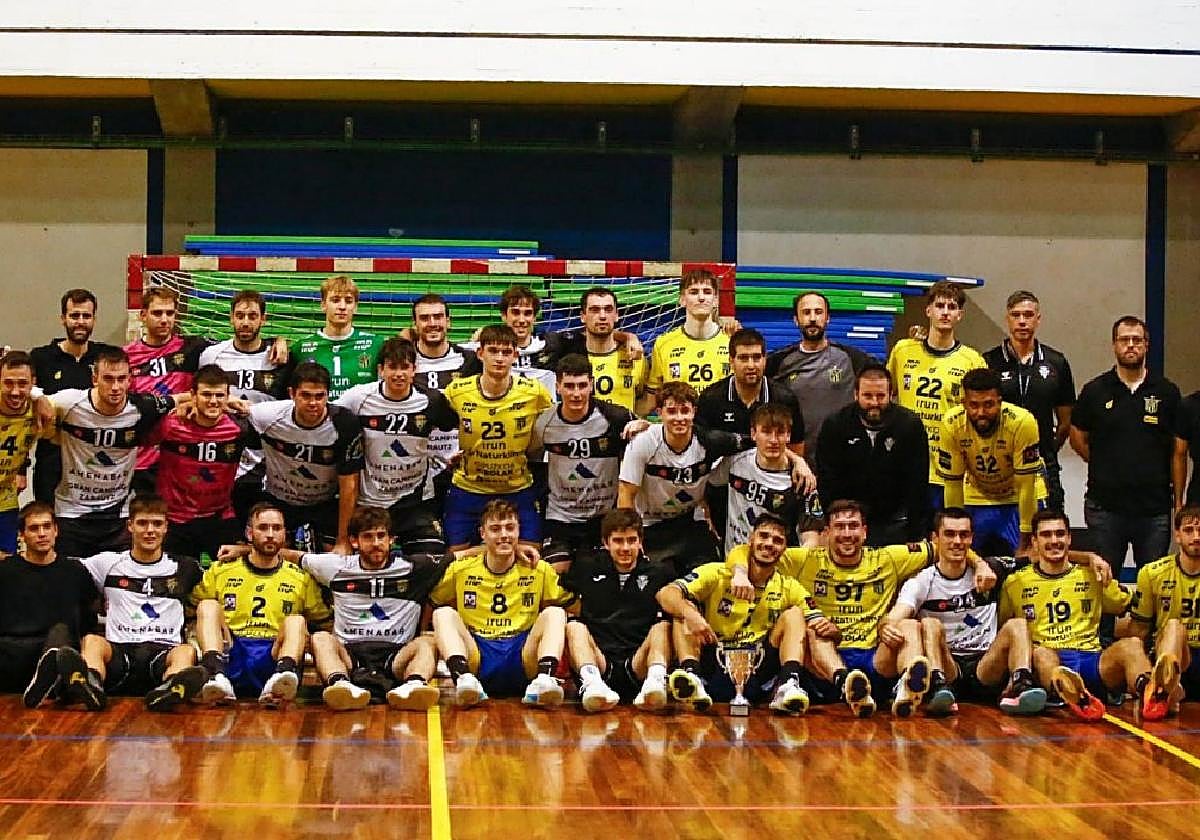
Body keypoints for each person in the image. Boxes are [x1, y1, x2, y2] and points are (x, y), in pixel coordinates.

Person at [727, 499, 998, 717]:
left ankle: (906, 687)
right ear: (827, 533)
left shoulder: (887, 558)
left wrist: (981, 564)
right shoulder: (805, 559)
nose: (847, 534)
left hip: (875, 659)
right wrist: (740, 573)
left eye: (853, 526)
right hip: (826, 662)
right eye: (840, 527)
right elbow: (747, 549)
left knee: (908, 625)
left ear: (865, 532)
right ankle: (845, 682)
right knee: (812, 629)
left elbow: (948, 545)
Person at [223, 505, 446, 711]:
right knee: (320, 638)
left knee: (429, 641)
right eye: (368, 537)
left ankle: (413, 684)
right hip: (349, 656)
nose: (376, 543)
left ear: (391, 540)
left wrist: (483, 545)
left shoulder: (415, 567)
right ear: (354, 541)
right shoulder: (335, 567)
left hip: (396, 656)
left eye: (381, 536)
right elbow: (285, 553)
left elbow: (459, 556)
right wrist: (243, 550)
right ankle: (340, 684)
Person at [884, 508, 1049, 716]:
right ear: (935, 539)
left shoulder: (991, 570)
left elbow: (1041, 555)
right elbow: (895, 616)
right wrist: (886, 627)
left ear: (971, 538)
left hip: (985, 664)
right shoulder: (922, 581)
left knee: (1018, 624)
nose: (957, 541)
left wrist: (1090, 558)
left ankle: (1020, 685)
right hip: (949, 663)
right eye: (950, 534)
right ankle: (937, 686)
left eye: (964, 535)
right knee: (930, 624)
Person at [999, 510, 1156, 720]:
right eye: (1046, 535)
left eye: (1060, 534)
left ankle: (1152, 693)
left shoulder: (1093, 574)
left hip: (1092, 658)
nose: (1054, 540)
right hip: (1051, 658)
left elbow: (1129, 609)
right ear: (1034, 542)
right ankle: (1073, 697)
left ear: (1069, 538)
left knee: (1132, 645)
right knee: (1041, 655)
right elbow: (1007, 631)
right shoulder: (1015, 583)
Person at [657, 514, 820, 715]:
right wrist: (692, 615)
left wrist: (825, 626)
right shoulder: (717, 572)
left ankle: (788, 684)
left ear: (785, 549)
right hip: (714, 659)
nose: (769, 544)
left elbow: (815, 618)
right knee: (683, 607)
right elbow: (665, 594)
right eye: (764, 536)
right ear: (751, 539)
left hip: (759, 667)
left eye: (777, 540)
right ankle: (693, 677)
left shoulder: (789, 586)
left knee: (795, 614)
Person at [64, 495, 206, 712]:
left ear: (166, 527)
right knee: (92, 641)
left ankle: (171, 689)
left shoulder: (185, 567)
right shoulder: (106, 563)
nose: (150, 530)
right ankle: (90, 685)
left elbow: (220, 582)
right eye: (142, 523)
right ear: (130, 525)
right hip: (119, 655)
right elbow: (59, 566)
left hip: (162, 654)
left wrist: (242, 549)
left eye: (157, 524)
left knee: (185, 651)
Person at [429, 499, 575, 707]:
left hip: (523, 654)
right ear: (482, 533)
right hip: (478, 652)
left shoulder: (538, 568)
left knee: (555, 613)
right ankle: (463, 678)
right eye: (495, 529)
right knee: (442, 613)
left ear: (518, 531)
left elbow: (571, 605)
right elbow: (432, 602)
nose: (504, 535)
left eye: (510, 528)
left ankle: (544, 679)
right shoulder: (461, 570)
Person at [1071, 316, 1183, 578]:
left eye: (1137, 340)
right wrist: (1100, 461)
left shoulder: (1167, 392)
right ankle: (1107, 623)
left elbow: (1178, 451)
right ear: (1114, 345)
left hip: (1153, 510)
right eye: (1124, 340)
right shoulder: (1095, 390)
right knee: (1104, 583)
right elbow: (1077, 434)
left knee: (1152, 584)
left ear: (1147, 346)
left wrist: (1178, 503)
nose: (1130, 345)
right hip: (1105, 508)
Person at [192, 502, 331, 706]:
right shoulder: (221, 570)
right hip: (232, 650)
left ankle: (283, 675)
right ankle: (216, 673)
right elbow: (189, 609)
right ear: (249, 533)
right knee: (207, 606)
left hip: (273, 652)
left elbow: (324, 621)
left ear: (285, 534)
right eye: (263, 527)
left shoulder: (300, 578)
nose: (270, 534)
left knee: (296, 620)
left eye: (277, 528)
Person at [49, 347, 182, 557]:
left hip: (118, 515)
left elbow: (182, 398)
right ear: (94, 379)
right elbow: (32, 397)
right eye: (108, 379)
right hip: (72, 512)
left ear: (130, 380)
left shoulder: (142, 406)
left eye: (121, 379)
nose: (115, 387)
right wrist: (39, 399)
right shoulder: (69, 403)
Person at [335, 337, 458, 556]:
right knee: (364, 560)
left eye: (405, 367)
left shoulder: (431, 400)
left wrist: (458, 455)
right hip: (371, 503)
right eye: (392, 367)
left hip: (416, 501)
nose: (399, 374)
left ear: (414, 370)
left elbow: (456, 425)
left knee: (433, 558)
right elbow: (329, 417)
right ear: (381, 370)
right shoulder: (358, 398)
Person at [529, 354, 648, 571]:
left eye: (582, 385)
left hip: (602, 517)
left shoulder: (615, 416)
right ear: (558, 387)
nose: (576, 394)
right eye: (569, 386)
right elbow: (532, 459)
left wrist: (644, 427)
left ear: (591, 385)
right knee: (555, 571)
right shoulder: (544, 423)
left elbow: (650, 442)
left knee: (601, 571)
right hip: (561, 517)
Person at [618, 381, 751, 574]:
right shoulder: (644, 442)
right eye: (671, 411)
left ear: (694, 412)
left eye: (685, 411)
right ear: (659, 412)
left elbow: (759, 441)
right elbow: (625, 494)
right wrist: (630, 537)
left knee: (711, 575)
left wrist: (796, 460)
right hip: (650, 524)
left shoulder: (709, 441)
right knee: (658, 581)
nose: (679, 418)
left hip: (690, 523)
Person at [442, 324, 554, 552]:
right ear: (480, 353)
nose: (499, 358)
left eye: (506, 352)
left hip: (517, 489)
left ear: (516, 355)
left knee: (531, 555)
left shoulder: (534, 392)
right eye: (493, 351)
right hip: (468, 489)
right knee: (455, 560)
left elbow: (555, 424)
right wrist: (448, 455)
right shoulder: (456, 391)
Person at [560, 508, 676, 710]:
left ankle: (656, 682)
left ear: (640, 542)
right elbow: (559, 596)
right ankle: (592, 684)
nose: (625, 548)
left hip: (638, 663)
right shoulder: (587, 568)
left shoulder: (660, 572)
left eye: (631, 540)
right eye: (618, 541)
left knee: (663, 626)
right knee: (573, 626)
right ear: (606, 543)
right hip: (600, 661)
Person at [886, 281, 986, 509]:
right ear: (928, 310)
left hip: (949, 465)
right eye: (940, 306)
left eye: (952, 307)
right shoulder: (903, 350)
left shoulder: (972, 360)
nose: (945, 312)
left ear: (960, 315)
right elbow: (887, 396)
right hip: (907, 461)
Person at [246, 362, 364, 553]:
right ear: (292, 394)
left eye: (320, 396)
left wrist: (343, 540)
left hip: (324, 503)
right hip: (279, 500)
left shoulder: (344, 423)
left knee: (334, 554)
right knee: (269, 549)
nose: (313, 403)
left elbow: (349, 484)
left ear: (328, 395)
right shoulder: (268, 415)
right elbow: (227, 405)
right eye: (305, 395)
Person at [199, 290, 292, 519]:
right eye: (240, 316)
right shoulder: (211, 355)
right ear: (231, 317)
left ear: (263, 319)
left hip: (266, 456)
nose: (246, 322)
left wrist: (281, 340)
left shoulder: (278, 357)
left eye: (252, 316)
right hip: (224, 454)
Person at [816, 364, 931, 545]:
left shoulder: (910, 426)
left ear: (891, 394)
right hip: (849, 523)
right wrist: (835, 523)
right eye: (867, 396)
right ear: (856, 394)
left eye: (880, 396)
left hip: (895, 523)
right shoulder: (835, 425)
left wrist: (917, 534)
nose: (874, 403)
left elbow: (918, 486)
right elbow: (827, 481)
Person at [936, 367, 1046, 555]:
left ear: (1000, 402)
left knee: (1030, 559)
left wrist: (1026, 541)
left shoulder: (1022, 422)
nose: (981, 412)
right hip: (976, 496)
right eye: (974, 405)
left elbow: (1026, 485)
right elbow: (953, 485)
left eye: (988, 405)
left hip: (1017, 496)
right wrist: (956, 534)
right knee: (962, 557)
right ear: (964, 403)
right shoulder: (951, 424)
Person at [0, 502, 100, 708]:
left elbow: (89, 620)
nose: (42, 534)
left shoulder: (75, 571)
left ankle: (47, 679)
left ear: (56, 530)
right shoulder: (5, 571)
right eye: (34, 528)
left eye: (47, 527)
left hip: (58, 652)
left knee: (61, 633)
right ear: (21, 535)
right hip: (11, 652)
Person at [984, 291, 1076, 512]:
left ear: (1038, 319)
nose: (1022, 321)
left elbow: (1066, 421)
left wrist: (1048, 447)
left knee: (1047, 531)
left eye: (1028, 315)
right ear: (1007, 319)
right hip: (999, 466)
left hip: (1043, 464)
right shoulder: (989, 362)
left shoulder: (1056, 362)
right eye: (1016, 315)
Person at [145, 364, 248, 560]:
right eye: (206, 395)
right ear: (193, 395)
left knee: (233, 578)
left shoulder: (239, 427)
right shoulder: (170, 424)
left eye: (219, 396)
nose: (213, 401)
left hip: (219, 517)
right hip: (175, 520)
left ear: (228, 397)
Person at [30, 289, 118, 504]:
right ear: (63, 319)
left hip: (93, 463)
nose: (80, 322)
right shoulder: (41, 358)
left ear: (94, 320)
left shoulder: (106, 357)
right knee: (49, 525)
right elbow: (21, 394)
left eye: (86, 316)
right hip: (52, 461)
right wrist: (38, 396)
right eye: (74, 315)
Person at [125, 286, 215, 492]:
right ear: (142, 315)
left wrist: (278, 342)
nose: (164, 319)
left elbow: (236, 348)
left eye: (170, 313)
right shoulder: (126, 357)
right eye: (157, 313)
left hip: (181, 454)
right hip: (142, 457)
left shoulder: (193, 348)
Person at [766, 291, 875, 461]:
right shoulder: (778, 362)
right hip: (795, 461)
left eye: (818, 312)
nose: (812, 318)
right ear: (796, 319)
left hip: (843, 460)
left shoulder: (852, 358)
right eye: (806, 312)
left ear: (827, 318)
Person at [707, 403, 819, 555]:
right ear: (753, 433)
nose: (773, 440)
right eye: (766, 432)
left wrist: (793, 562)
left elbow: (811, 537)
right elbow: (705, 483)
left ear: (788, 436)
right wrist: (706, 513)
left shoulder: (802, 478)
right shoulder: (734, 462)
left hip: (777, 567)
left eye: (780, 433)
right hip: (735, 561)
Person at [1123, 503, 1200, 716]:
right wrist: (1137, 668)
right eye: (1188, 530)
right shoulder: (1152, 573)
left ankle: (1170, 693)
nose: (1196, 537)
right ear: (1177, 535)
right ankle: (1163, 689)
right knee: (1175, 627)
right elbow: (1139, 630)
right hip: (1174, 655)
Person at [696, 328, 806, 453]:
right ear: (731, 361)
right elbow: (700, 446)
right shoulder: (711, 398)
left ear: (765, 360)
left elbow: (796, 448)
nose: (751, 365)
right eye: (743, 358)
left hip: (770, 471)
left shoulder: (785, 399)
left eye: (756, 358)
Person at [643, 269, 731, 412]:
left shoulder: (731, 342)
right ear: (682, 299)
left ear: (716, 300)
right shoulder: (663, 344)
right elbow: (652, 397)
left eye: (707, 292)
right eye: (694, 292)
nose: (701, 298)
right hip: (679, 425)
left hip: (719, 428)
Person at [410, 294, 470, 496]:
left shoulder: (469, 360)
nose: (432, 323)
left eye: (438, 317)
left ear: (448, 321)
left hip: (459, 466)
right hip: (414, 468)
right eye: (425, 318)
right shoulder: (402, 363)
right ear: (415, 324)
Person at [291, 275, 386, 400]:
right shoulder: (300, 348)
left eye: (348, 301)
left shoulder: (376, 344)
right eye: (335, 300)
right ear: (323, 305)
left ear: (355, 307)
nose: (342, 307)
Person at [0, 351, 53, 555]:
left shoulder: (43, 411)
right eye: (8, 383)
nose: (15, 392)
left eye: (22, 384)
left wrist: (39, 396)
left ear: (33, 382)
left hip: (5, 500)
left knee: (7, 564)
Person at [575, 286, 648, 413]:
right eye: (594, 310)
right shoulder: (570, 355)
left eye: (608, 310)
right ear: (583, 316)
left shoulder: (635, 355)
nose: (602, 316)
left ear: (616, 315)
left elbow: (646, 399)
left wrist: (631, 421)